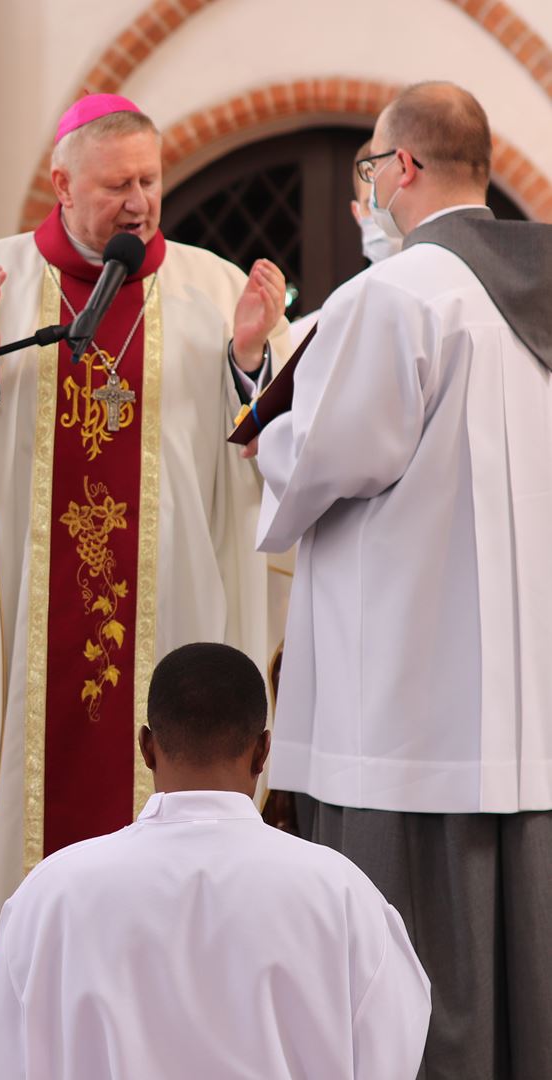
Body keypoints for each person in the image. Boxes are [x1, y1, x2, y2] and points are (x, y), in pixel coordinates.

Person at [0, 92, 289, 1078]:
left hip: (170, 615)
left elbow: (265, 463)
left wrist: (249, 360)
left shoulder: (211, 286)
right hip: (24, 637)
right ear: (64, 183)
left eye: (150, 182)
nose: (141, 203)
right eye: (118, 186)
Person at [252, 81, 552, 1078]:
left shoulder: (398, 295)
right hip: (532, 725)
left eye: (369, 168)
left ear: (403, 169)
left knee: (412, 1002)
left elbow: (318, 462)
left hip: (407, 719)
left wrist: (267, 391)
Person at [0, 643, 430, 1078]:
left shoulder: (50, 892)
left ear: (146, 746)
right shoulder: (343, 893)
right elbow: (393, 1053)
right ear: (264, 750)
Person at [288, 137, 403, 341]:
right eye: (370, 205)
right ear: (357, 212)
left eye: (389, 204)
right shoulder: (325, 324)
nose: (381, 218)